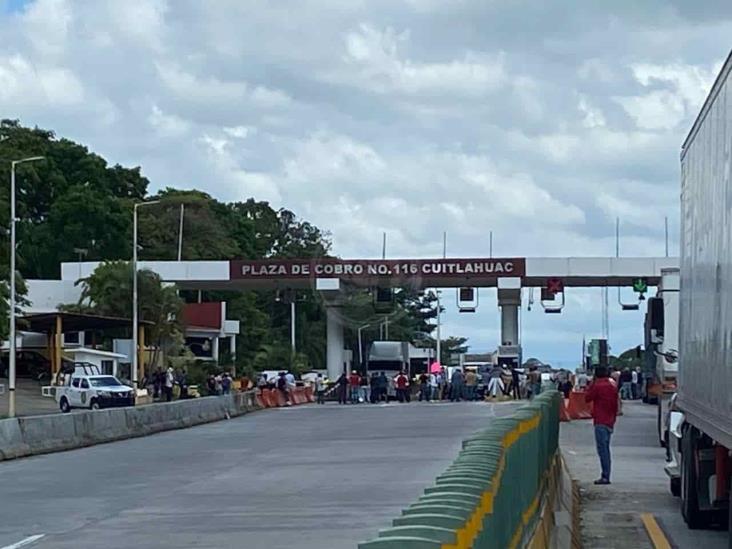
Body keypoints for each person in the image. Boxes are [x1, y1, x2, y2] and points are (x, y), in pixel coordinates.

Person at [585, 366, 619, 485]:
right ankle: (606, 474)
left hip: (600, 419)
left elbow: (587, 398)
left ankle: (605, 476)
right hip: (610, 420)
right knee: (606, 448)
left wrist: (591, 383)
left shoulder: (597, 385)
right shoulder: (613, 384)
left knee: (602, 449)